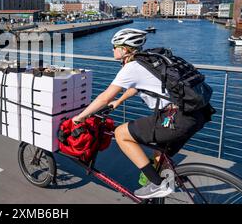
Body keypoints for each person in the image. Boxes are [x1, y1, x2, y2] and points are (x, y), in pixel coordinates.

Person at [72, 28, 211, 199]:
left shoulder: (131, 67)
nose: (112, 50)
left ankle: (158, 185)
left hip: (176, 118)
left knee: (121, 133)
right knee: (159, 154)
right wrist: (120, 101)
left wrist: (80, 117)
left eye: (114, 46)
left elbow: (104, 98)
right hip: (197, 114)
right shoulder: (150, 60)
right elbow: (137, 86)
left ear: (124, 49)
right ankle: (161, 188)